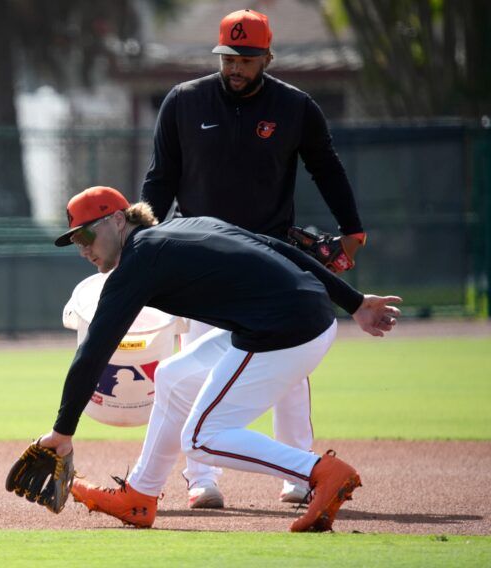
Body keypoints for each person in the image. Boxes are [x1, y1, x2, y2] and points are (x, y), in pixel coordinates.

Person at [38, 185, 400, 532]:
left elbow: (94, 350)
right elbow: (276, 246)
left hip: (287, 330)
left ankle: (319, 471)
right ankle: (140, 495)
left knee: (200, 438)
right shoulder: (184, 226)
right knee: (174, 377)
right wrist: (353, 302)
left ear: (118, 220)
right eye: (74, 242)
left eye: (85, 236)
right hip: (295, 316)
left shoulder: (139, 261)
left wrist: (62, 432)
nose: (82, 249)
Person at [140, 8, 368, 507]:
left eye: (246, 58)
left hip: (271, 258)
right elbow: (160, 180)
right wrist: (144, 241)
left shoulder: (294, 107)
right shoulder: (183, 102)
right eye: (228, 57)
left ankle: (298, 473)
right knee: (194, 363)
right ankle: (202, 480)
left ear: (267, 56)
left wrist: (352, 229)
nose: (236, 67)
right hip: (200, 256)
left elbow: (326, 168)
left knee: (286, 370)